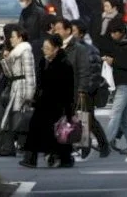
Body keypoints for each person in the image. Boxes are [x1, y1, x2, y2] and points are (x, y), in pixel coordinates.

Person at [19, 34, 76, 168]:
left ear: (56, 49)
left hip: (58, 104)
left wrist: (68, 110)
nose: (44, 50)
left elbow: (68, 89)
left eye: (47, 48)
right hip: (43, 103)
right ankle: (31, 158)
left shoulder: (65, 64)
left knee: (58, 133)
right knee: (36, 129)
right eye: (44, 47)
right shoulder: (43, 62)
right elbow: (40, 83)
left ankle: (64, 158)